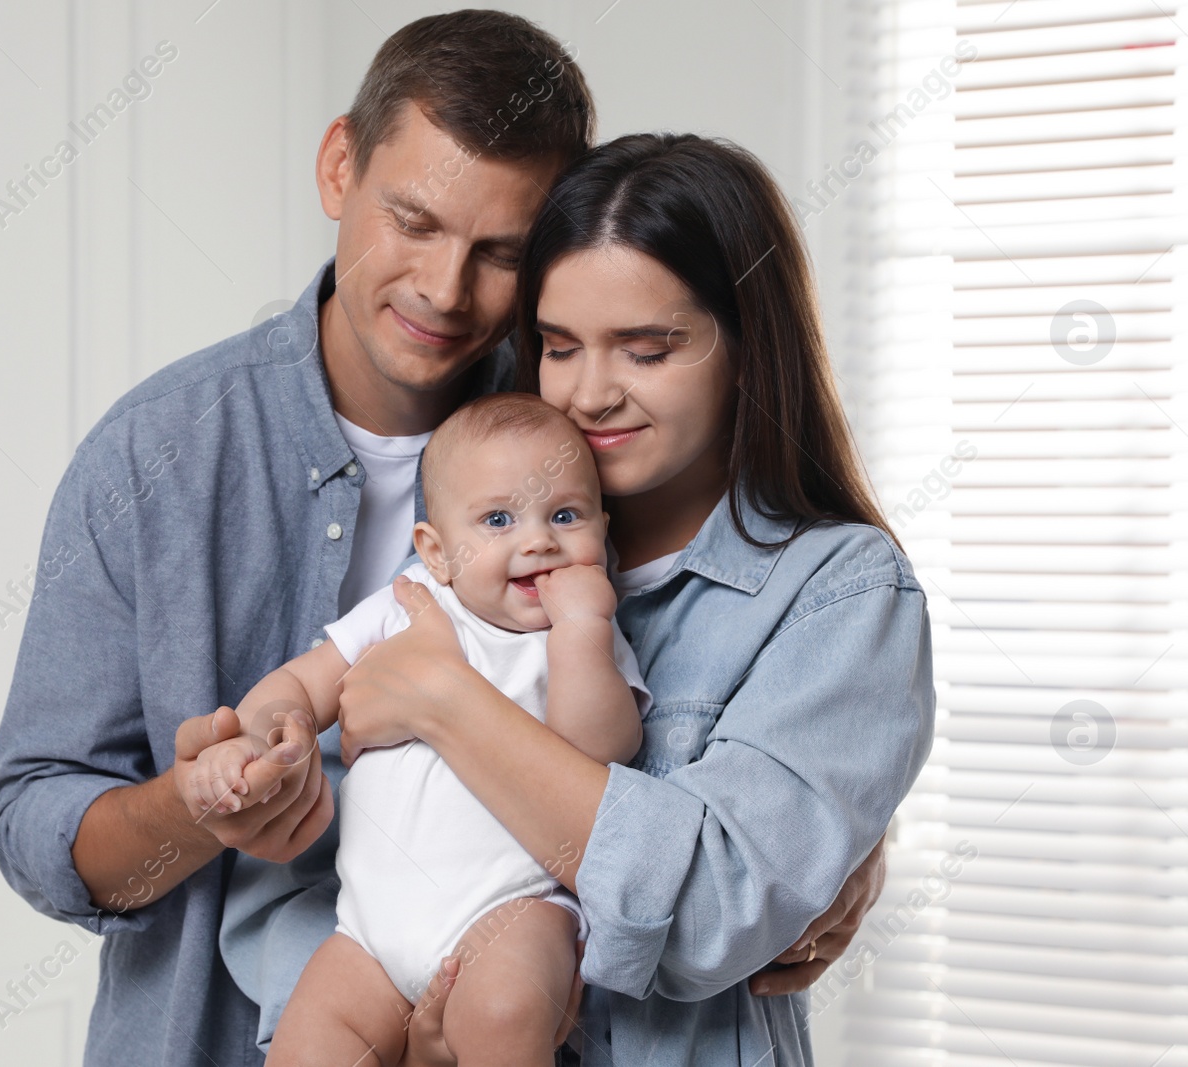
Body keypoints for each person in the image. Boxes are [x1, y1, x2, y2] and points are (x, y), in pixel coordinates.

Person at [0, 11, 886, 1066]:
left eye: (500, 252)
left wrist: (832, 847)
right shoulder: (156, 453)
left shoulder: (585, 442)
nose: (445, 290)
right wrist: (199, 807)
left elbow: (734, 682)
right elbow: (39, 826)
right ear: (338, 168)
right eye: (412, 221)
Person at [325, 133, 937, 1064]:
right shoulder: (476, 538)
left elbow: (706, 911)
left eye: (647, 350)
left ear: (747, 347)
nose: (591, 394)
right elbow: (348, 856)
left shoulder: (838, 591)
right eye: (560, 348)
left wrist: (445, 701)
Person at [196, 394, 647, 1064]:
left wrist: (584, 631)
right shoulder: (408, 606)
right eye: (499, 518)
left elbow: (601, 752)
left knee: (505, 1011)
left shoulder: (579, 638)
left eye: (565, 515)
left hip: (513, 912)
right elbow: (302, 682)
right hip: (369, 934)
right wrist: (264, 736)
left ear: (601, 534)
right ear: (435, 552)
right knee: (310, 1041)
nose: (538, 539)